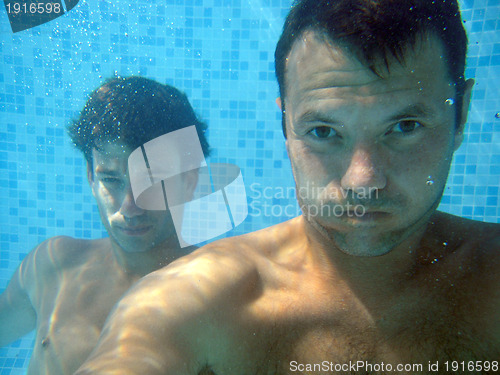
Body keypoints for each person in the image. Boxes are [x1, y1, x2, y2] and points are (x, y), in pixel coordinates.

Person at [75, 1, 500, 374]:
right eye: (322, 131)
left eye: (405, 126)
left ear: (460, 115)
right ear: (285, 124)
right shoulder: (200, 301)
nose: (363, 179)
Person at [0, 76, 210, 375]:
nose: (130, 207)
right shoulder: (53, 266)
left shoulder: (218, 294)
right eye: (111, 180)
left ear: (188, 181)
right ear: (91, 177)